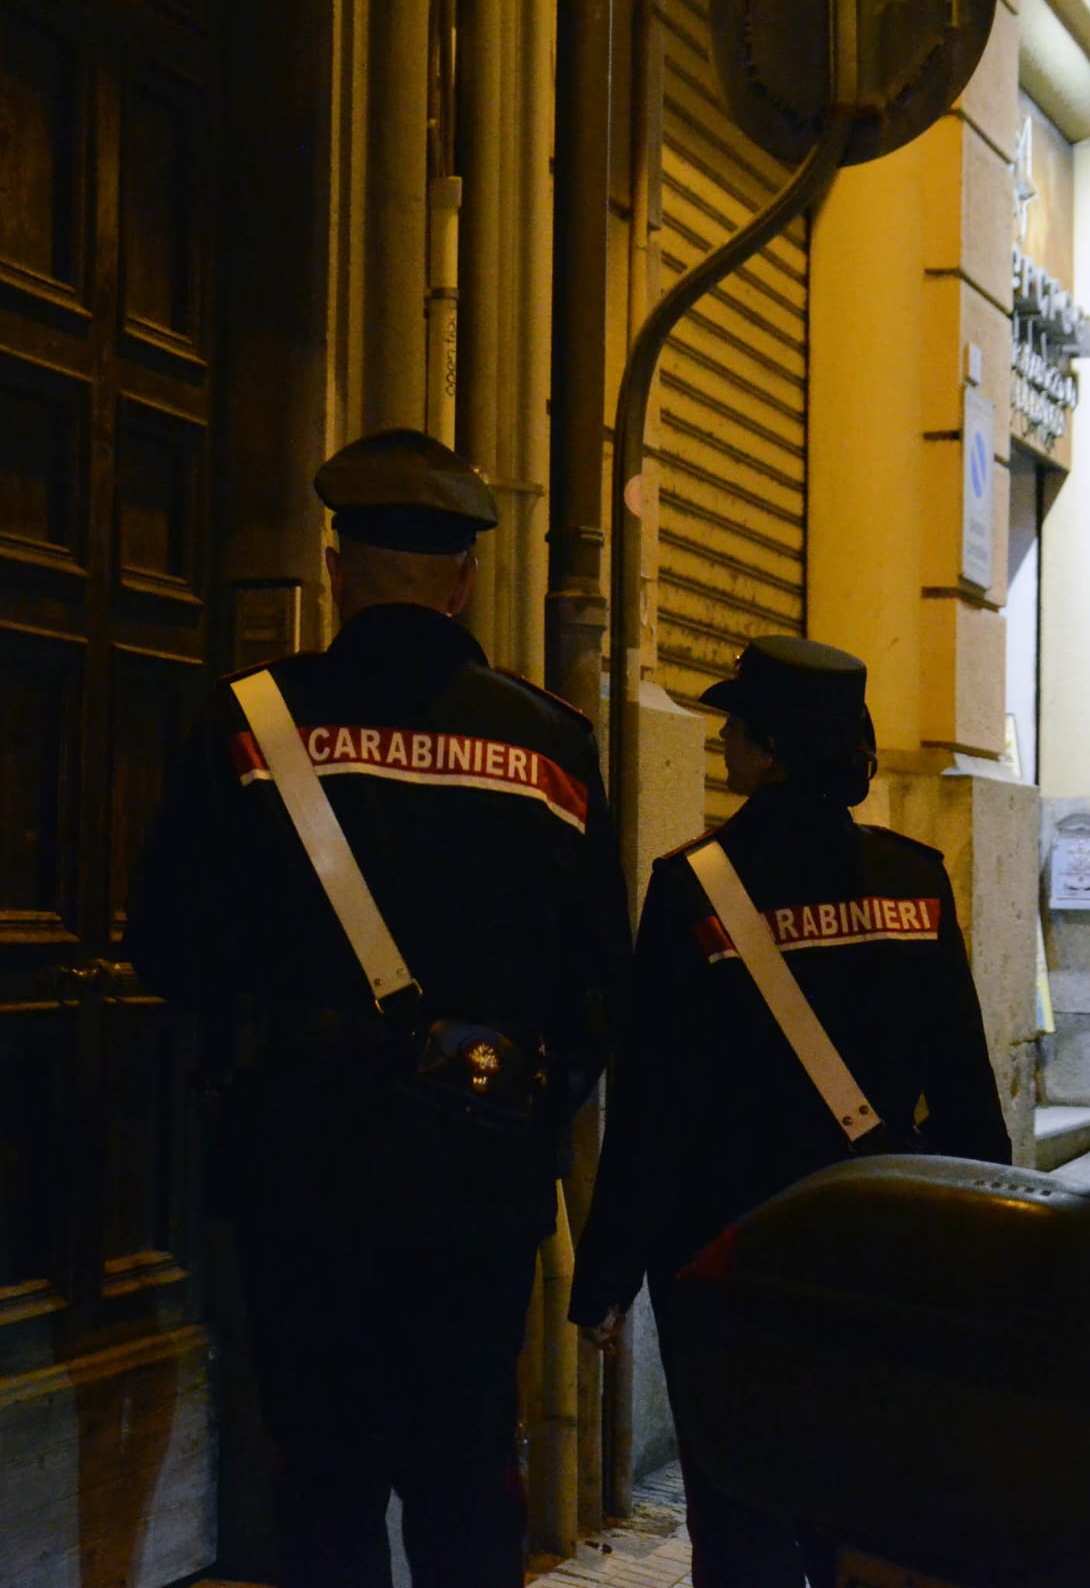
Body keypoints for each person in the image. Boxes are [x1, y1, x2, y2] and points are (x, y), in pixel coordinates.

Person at [125, 427, 630, 1588]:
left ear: (338, 567)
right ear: (464, 578)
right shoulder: (551, 745)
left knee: (323, 1476)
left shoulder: (250, 724)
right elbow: (601, 987)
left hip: (303, 1166)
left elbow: (168, 944)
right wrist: (530, 1109)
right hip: (478, 1177)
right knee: (464, 1472)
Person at [568, 634, 1011, 1588]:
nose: (726, 745)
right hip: (882, 1244)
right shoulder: (913, 880)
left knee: (739, 1512)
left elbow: (653, 1108)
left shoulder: (695, 890)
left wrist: (603, 1278)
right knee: (865, 1498)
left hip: (726, 1256)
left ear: (762, 751)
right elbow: (968, 1097)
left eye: (734, 727)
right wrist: (979, 1252)